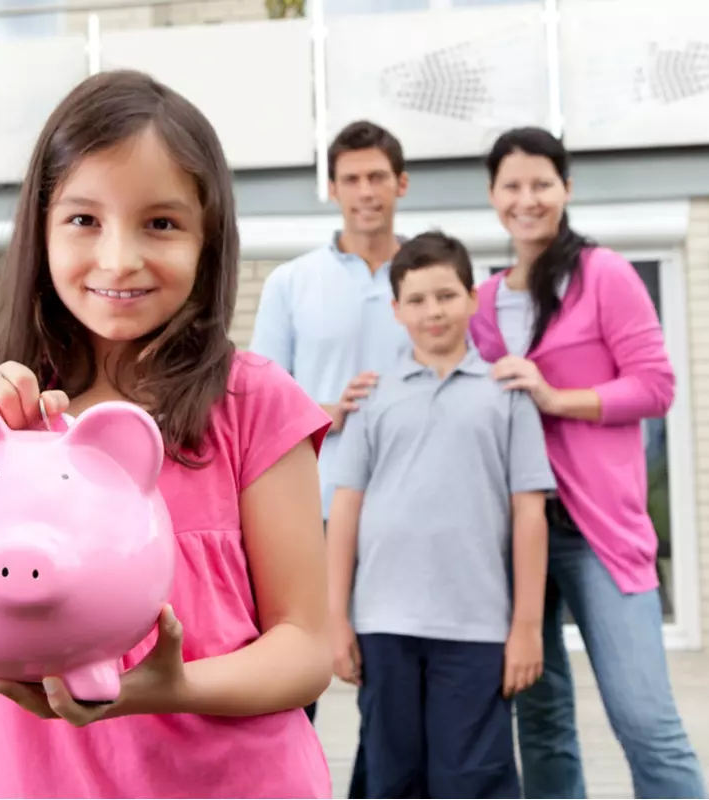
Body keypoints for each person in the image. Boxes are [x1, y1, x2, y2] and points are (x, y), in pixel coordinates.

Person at [0, 69, 335, 799]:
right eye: (84, 220)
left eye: (160, 222)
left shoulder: (253, 401)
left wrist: (165, 688)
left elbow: (306, 648)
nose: (119, 259)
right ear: (40, 227)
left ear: (208, 239)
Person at [467, 126, 708, 799]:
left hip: (600, 530)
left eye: (541, 183)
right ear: (493, 195)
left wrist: (556, 397)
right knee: (541, 720)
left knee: (644, 719)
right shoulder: (483, 304)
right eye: (512, 185)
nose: (527, 198)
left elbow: (656, 385)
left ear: (566, 190)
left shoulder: (604, 274)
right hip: (518, 533)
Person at [325, 231, 553, 799]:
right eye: (419, 299)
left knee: (471, 778)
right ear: (397, 309)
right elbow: (346, 508)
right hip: (383, 622)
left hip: (476, 626)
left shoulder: (507, 394)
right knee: (390, 774)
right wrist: (336, 615)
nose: (434, 311)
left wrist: (526, 625)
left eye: (446, 295)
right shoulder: (372, 397)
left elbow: (529, 513)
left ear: (473, 298)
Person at [248, 119, 413, 796]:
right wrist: (329, 411)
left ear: (401, 184)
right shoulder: (292, 282)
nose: (365, 191)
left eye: (378, 177)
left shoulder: (430, 275)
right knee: (297, 686)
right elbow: (259, 405)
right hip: (311, 518)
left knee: (392, 701)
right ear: (332, 187)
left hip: (404, 517)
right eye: (351, 178)